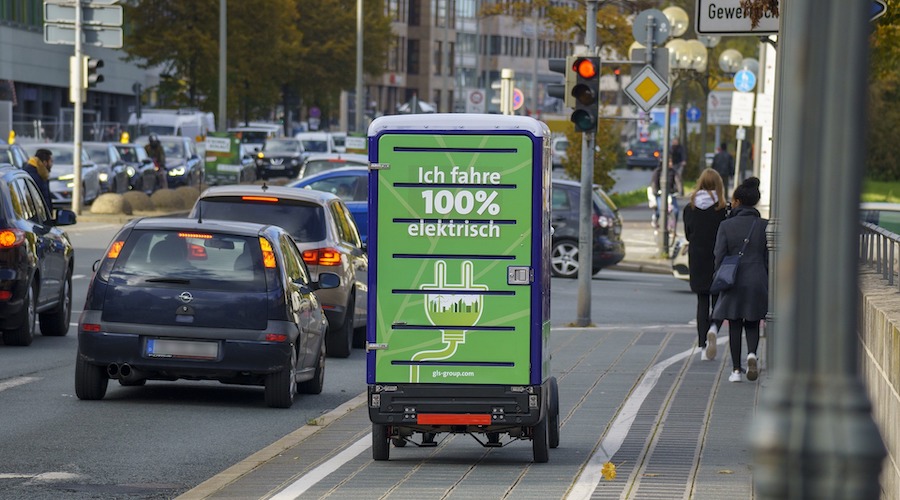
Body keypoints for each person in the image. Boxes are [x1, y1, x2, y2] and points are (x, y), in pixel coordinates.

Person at [711, 177, 769, 382]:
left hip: (733, 278)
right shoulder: (764, 225)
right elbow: (767, 256)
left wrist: (719, 276)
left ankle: (736, 370)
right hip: (757, 278)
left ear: (737, 201)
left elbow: (719, 255)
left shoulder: (726, 225)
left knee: (734, 323)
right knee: (752, 321)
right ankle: (752, 354)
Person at [682, 168, 728, 360]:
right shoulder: (723, 209)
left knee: (702, 301)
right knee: (718, 299)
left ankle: (702, 347)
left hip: (697, 257)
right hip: (718, 258)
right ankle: (714, 328)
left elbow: (687, 234)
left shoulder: (689, 208)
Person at [650, 160, 679, 232]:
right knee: (661, 210)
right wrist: (655, 192)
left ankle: (673, 226)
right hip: (660, 194)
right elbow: (654, 183)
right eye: (669, 162)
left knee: (676, 210)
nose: (671, 164)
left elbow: (678, 181)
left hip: (670, 193)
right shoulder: (658, 171)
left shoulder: (673, 172)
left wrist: (680, 191)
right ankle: (657, 220)